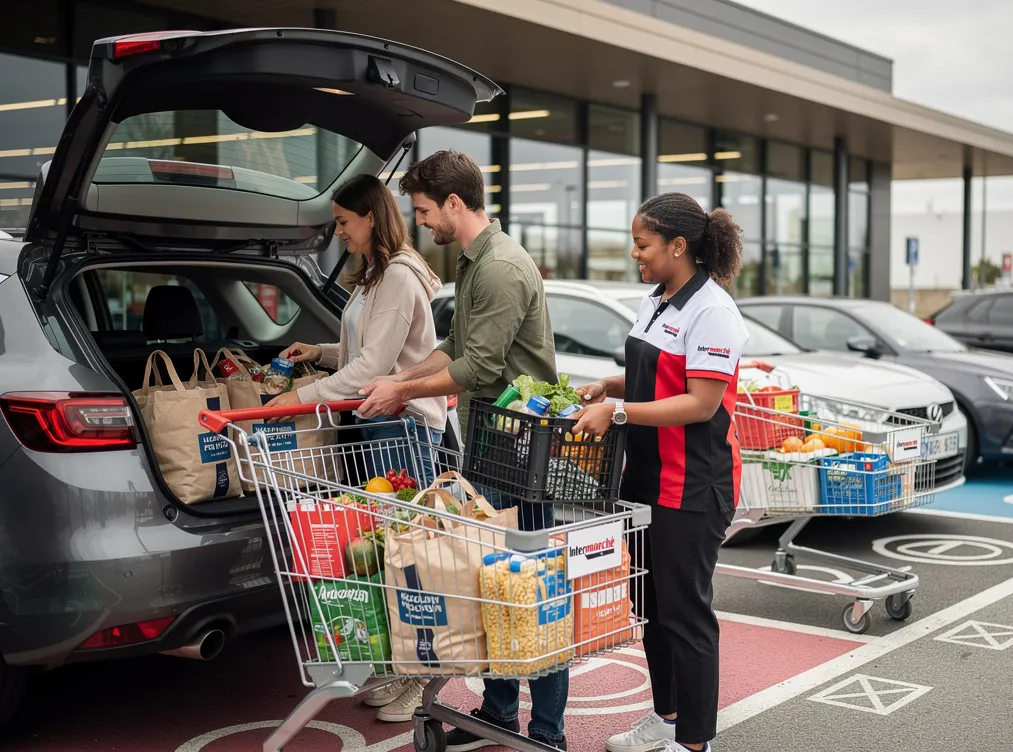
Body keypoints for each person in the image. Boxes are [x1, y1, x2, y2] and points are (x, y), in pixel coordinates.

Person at [357, 149, 569, 751]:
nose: (420, 221)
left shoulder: (500, 266)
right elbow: (454, 345)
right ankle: (499, 716)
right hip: (490, 445)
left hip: (516, 450)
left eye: (424, 210)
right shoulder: (476, 261)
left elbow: (480, 366)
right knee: (493, 587)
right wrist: (401, 382)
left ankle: (547, 731)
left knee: (529, 589)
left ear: (454, 203)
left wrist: (403, 388)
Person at [571, 193, 749, 752]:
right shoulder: (659, 300)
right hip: (644, 480)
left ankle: (694, 742)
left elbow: (699, 402)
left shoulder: (713, 310)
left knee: (685, 616)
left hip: (693, 486)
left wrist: (617, 412)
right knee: (651, 610)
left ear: (678, 245)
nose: (634, 253)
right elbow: (653, 376)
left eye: (642, 244)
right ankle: (665, 719)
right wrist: (610, 386)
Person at [270, 173, 449, 723]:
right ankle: (402, 670)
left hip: (404, 426)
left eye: (344, 222)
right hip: (379, 426)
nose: (340, 232)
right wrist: (320, 353)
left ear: (371, 217)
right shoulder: (376, 275)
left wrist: (299, 397)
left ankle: (421, 682)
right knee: (387, 560)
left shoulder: (397, 275)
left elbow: (374, 368)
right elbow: (364, 352)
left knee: (408, 562)